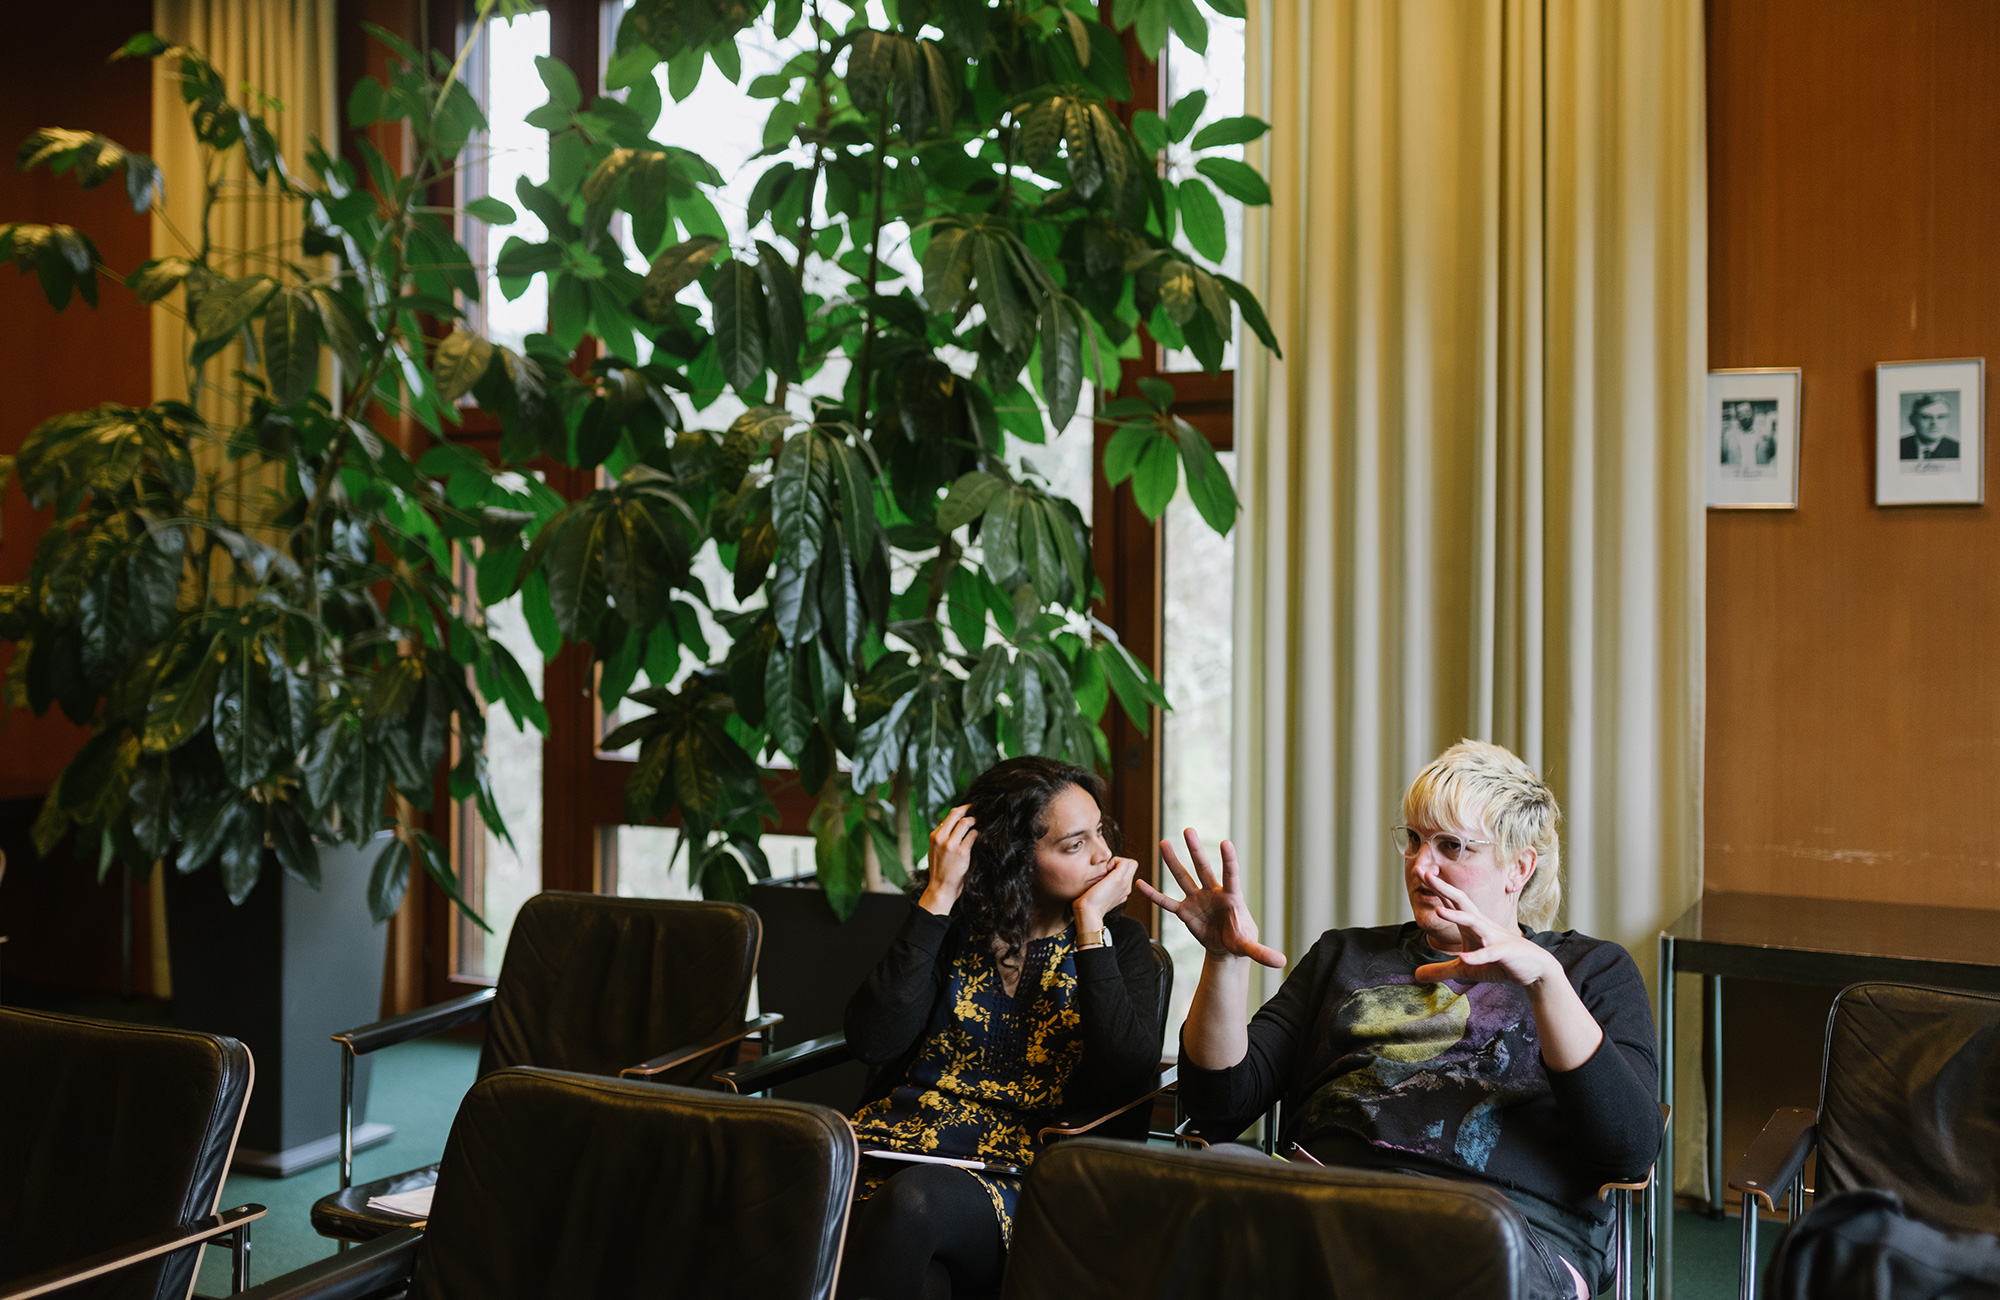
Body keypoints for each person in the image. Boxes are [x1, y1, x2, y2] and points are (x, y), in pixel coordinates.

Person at [1138, 740, 1658, 1300]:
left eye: (1451, 846)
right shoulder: (1346, 955)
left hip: (1502, 1230)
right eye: (1413, 840)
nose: (1420, 864)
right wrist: (1223, 960)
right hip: (1331, 1205)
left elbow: (1627, 1151)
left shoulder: (1587, 970)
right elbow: (1217, 1107)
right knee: (1211, 1193)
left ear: (1518, 868)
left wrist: (1544, 983)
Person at [836, 756, 1162, 1300]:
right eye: (1075, 844)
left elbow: (1127, 1076)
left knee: (910, 1205)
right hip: (889, 1149)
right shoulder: (955, 927)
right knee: (923, 1280)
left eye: (1099, 833)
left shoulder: (1119, 946)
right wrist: (937, 898)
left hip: (1020, 1178)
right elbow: (874, 1039)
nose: (1106, 856)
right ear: (1015, 857)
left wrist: (1090, 929)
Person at [1899, 393, 1960, 460]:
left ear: (1948, 420)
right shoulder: (1899, 447)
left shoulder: (1958, 449)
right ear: (1912, 420)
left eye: (1941, 417)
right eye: (1926, 417)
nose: (1934, 423)